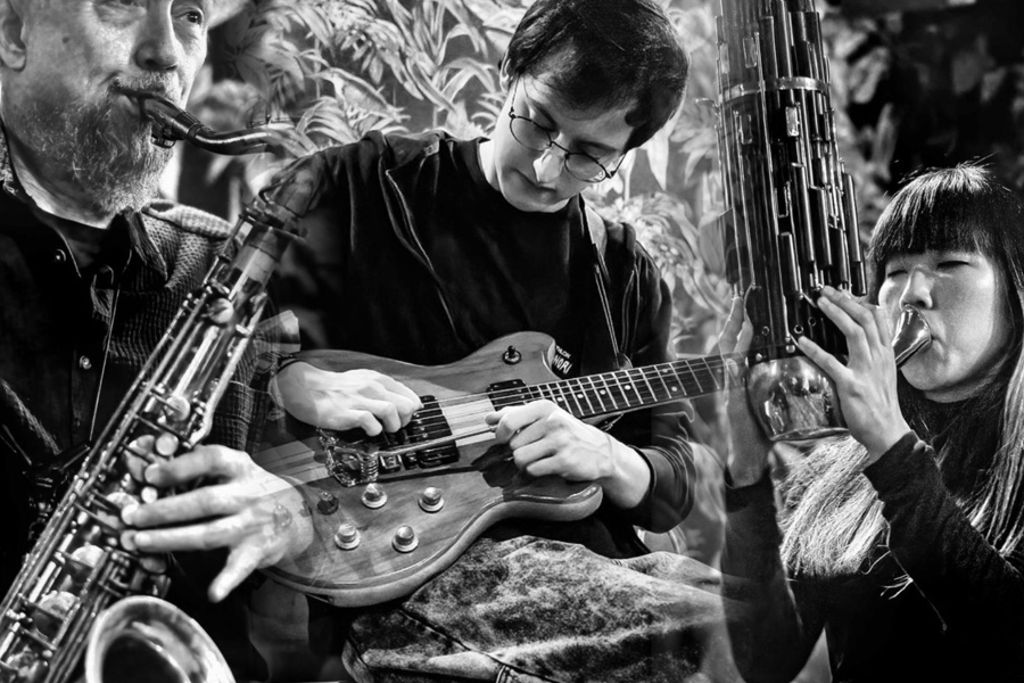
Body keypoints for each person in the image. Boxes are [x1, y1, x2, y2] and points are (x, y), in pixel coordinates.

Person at [261, 0, 739, 681]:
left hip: (602, 575)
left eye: (589, 155)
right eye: (537, 122)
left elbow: (674, 478)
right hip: (411, 581)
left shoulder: (622, 272)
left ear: (626, 153)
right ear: (509, 73)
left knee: (777, 622)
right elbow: (208, 339)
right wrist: (293, 379)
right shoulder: (357, 187)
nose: (547, 169)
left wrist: (608, 456)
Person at [0, 0, 312, 678]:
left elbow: (321, 505)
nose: (167, 53)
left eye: (191, 14)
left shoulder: (224, 268)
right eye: (122, 4)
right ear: (12, 34)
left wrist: (293, 516)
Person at [720, 165, 1024, 682]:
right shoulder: (840, 466)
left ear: (1015, 291)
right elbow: (766, 661)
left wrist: (893, 449)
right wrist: (746, 472)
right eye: (894, 272)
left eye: (950, 262)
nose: (911, 294)